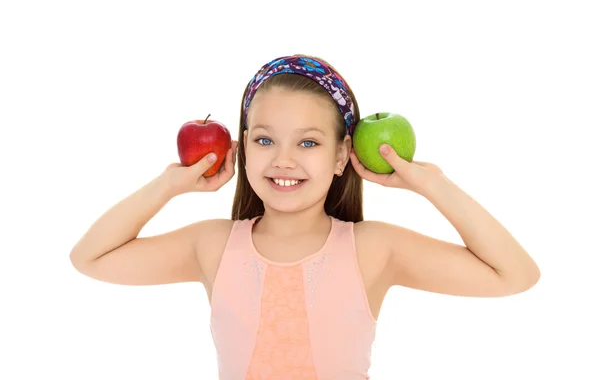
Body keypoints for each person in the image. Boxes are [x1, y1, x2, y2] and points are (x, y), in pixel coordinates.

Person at [69, 54, 541, 379]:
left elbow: (515, 275)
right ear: (243, 148)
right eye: (265, 140)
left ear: (342, 156)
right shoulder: (212, 246)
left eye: (309, 142)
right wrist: (171, 183)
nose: (284, 160)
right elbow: (90, 258)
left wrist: (430, 183)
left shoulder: (372, 249)